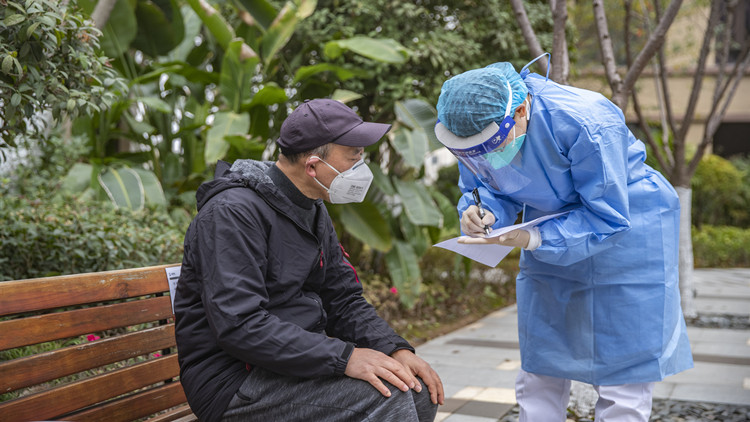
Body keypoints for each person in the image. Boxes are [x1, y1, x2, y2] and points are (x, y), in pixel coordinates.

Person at [433, 57, 693, 422]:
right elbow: (486, 183)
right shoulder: (471, 128)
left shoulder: (586, 121)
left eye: (491, 142)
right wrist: (484, 212)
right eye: (472, 148)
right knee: (542, 361)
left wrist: (535, 236)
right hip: (550, 229)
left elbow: (606, 214)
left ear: (522, 109)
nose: (484, 154)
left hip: (631, 233)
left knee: (624, 374)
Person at [174, 98, 444, 422]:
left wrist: (394, 349)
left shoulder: (311, 208)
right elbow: (240, 325)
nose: (361, 168)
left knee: (416, 389)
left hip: (288, 364)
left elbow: (343, 299)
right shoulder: (232, 213)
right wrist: (345, 358)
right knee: (388, 396)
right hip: (234, 380)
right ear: (313, 166)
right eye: (354, 158)